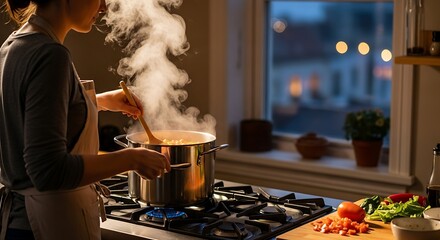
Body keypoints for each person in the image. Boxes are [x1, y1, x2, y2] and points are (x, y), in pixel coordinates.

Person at [0, 0, 171, 239]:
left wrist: (100, 101)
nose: (103, 7)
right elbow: (48, 171)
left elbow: (36, 111)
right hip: (44, 226)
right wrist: (131, 158)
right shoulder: (51, 55)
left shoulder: (15, 43)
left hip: (20, 225)